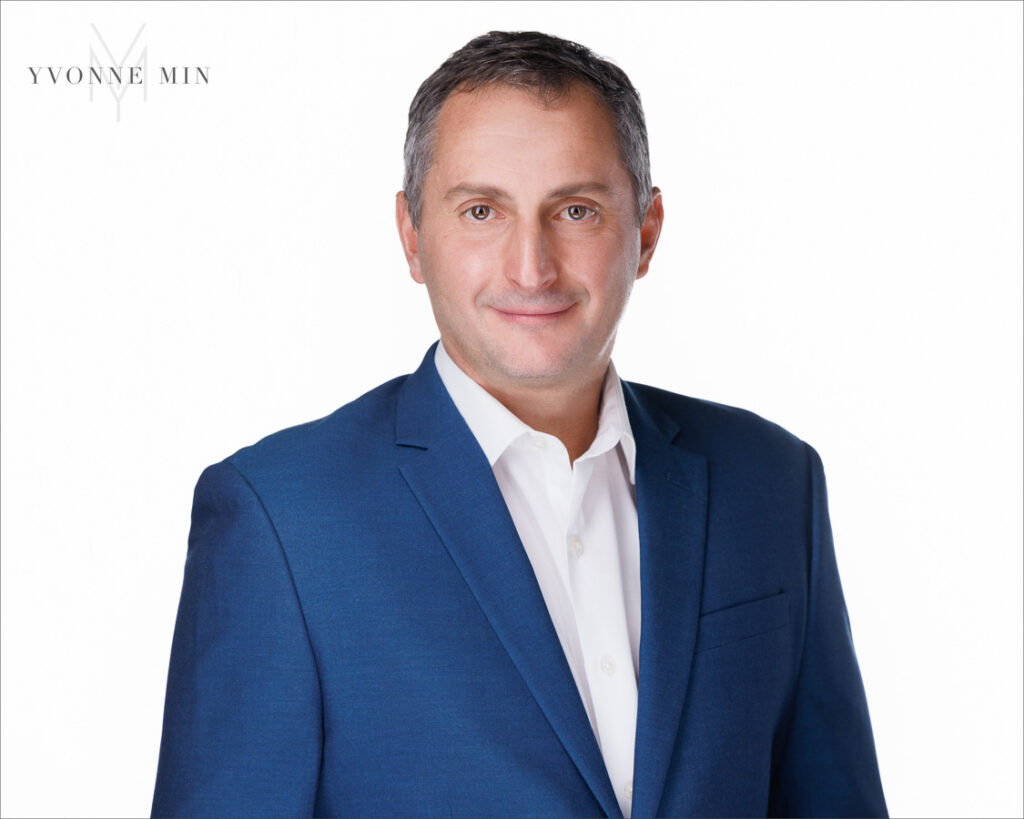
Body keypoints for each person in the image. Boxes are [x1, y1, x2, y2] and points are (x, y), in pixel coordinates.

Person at [152, 30, 887, 818]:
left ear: (646, 230)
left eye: (576, 209)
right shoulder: (282, 521)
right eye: (480, 210)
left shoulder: (772, 482)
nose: (531, 266)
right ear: (411, 236)